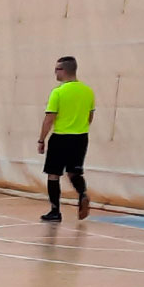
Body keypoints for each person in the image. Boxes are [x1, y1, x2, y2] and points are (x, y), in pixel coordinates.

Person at [38, 55, 96, 222]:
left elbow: (49, 118)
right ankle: (83, 194)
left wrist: (41, 140)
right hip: (81, 138)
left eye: (57, 69)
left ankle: (55, 211)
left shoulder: (58, 92)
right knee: (74, 172)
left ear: (64, 70)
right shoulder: (88, 91)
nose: (55, 72)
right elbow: (90, 117)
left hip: (61, 138)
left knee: (53, 174)